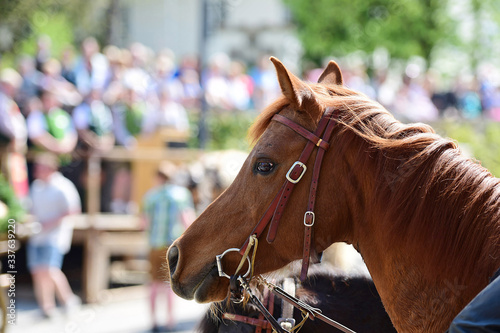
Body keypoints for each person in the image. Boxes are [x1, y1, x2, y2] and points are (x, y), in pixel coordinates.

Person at [141, 161, 195, 332]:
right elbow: (188, 220)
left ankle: (154, 321)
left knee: (153, 284)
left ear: (158, 177)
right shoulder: (181, 195)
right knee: (171, 284)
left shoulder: (150, 196)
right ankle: (170, 322)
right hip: (173, 246)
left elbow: (143, 223)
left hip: (155, 245)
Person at [27, 153, 81, 317]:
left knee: (50, 269)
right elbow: (30, 208)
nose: (36, 171)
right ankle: (46, 307)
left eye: (40, 167)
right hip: (37, 234)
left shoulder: (63, 186)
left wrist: (50, 223)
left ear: (50, 169)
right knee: (38, 271)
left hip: (55, 235)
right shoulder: (36, 186)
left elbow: (73, 210)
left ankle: (68, 301)